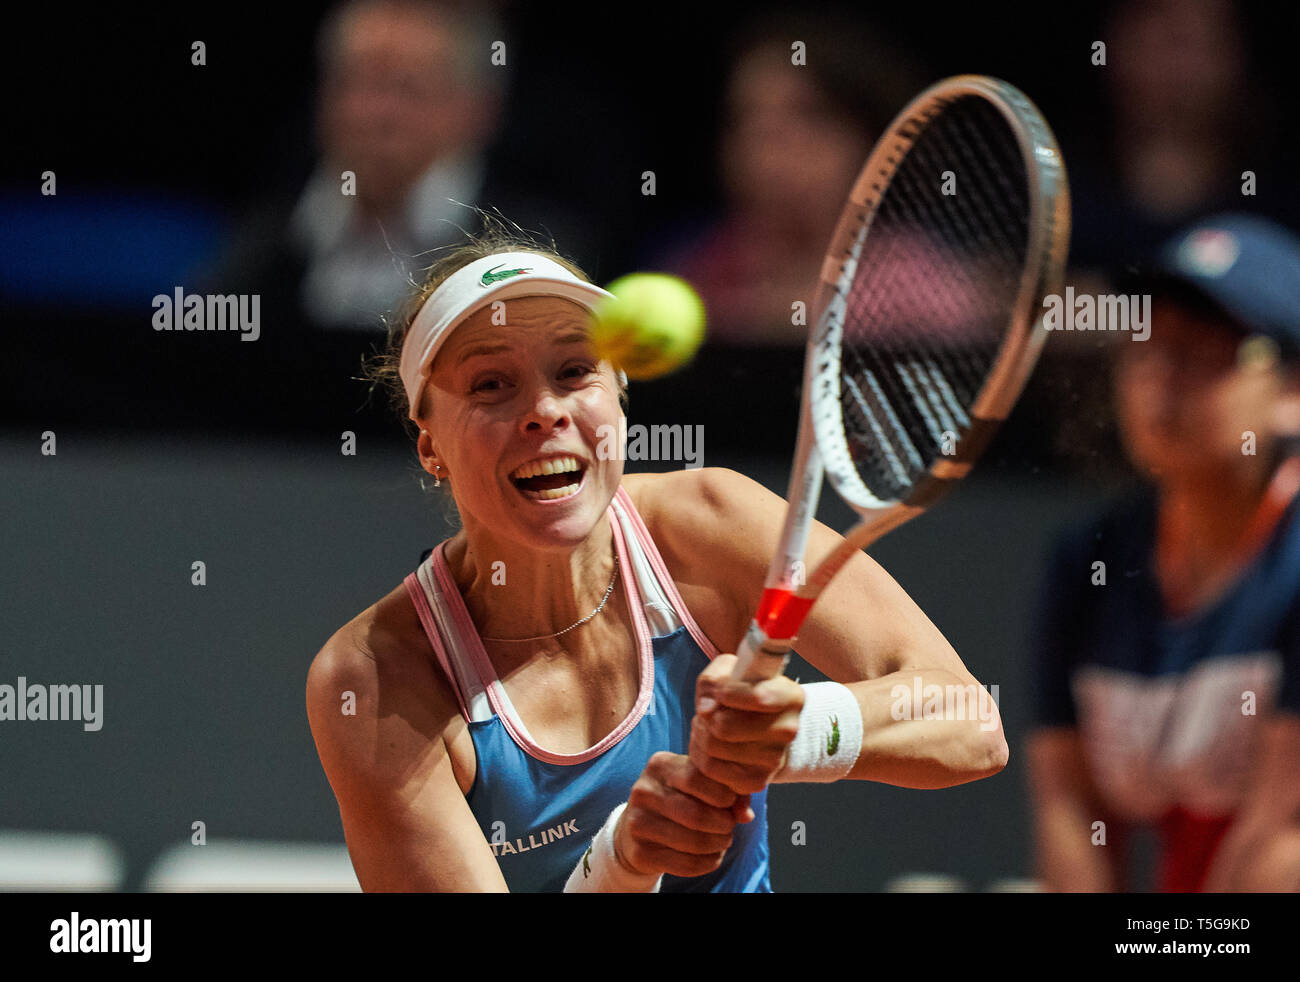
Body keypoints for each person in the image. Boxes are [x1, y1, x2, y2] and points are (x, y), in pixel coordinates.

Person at [305, 224, 1008, 892]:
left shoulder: (711, 519)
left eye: (575, 370)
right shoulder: (375, 679)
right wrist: (623, 860)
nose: (545, 411)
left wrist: (792, 734)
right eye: (491, 384)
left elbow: (970, 722)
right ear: (429, 446)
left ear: (619, 398)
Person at [1027, 214, 1300, 892]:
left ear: (1292, 391)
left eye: (1206, 350)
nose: (1162, 378)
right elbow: (1069, 811)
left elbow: (1282, 835)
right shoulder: (1084, 562)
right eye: (1147, 347)